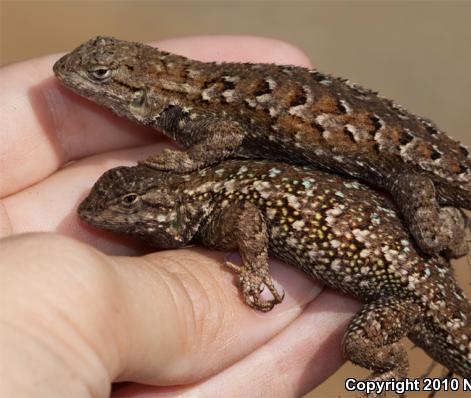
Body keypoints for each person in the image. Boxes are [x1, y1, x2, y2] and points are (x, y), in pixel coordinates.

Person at [0, 36, 360, 397]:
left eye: (99, 74)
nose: (69, 72)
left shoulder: (188, 116)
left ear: (140, 94)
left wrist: (189, 162)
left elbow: (228, 134)